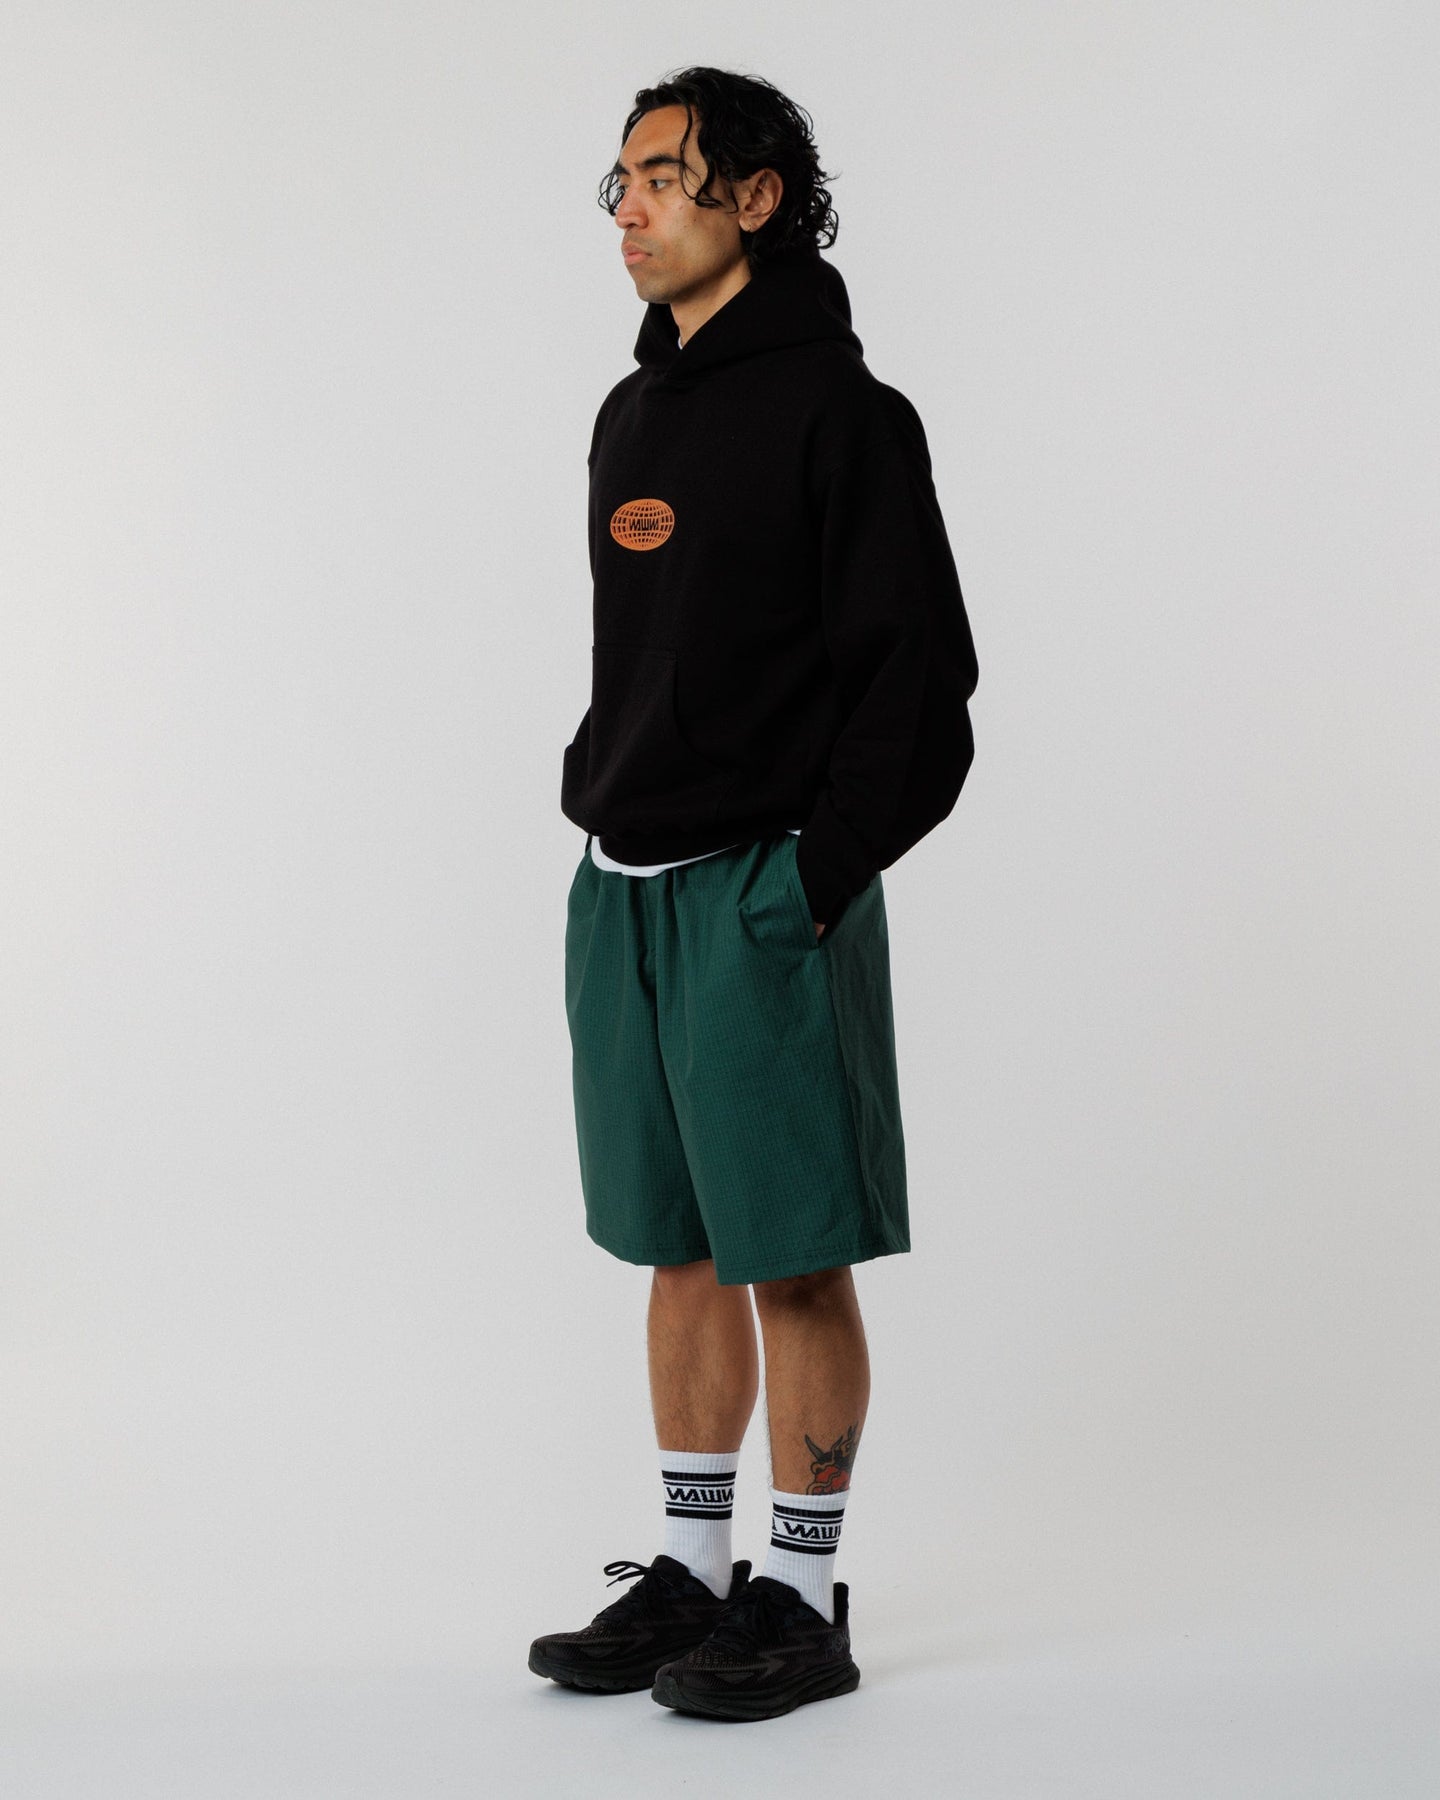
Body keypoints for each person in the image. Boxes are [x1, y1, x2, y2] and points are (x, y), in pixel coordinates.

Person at [529, 65, 978, 1722]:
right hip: (623, 887)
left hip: (764, 895)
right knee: (679, 1249)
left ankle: (798, 1593)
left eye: (665, 175)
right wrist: (599, 799)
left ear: (759, 199)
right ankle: (693, 1570)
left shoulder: (849, 418)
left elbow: (922, 693)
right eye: (622, 182)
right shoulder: (630, 415)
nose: (631, 208)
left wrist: (811, 879)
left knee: (789, 1254)